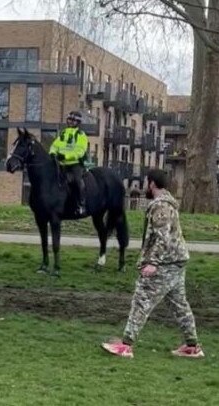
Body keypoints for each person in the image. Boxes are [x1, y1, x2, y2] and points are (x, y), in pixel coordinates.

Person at [101, 169, 204, 359]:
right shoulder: (167, 203)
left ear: (152, 184)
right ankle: (192, 346)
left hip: (165, 263)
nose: (144, 185)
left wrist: (153, 263)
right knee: (179, 305)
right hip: (176, 261)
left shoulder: (161, 207)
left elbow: (162, 237)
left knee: (142, 300)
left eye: (146, 182)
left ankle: (125, 345)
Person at [49, 110, 89, 216]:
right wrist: (52, 153)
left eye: (73, 120)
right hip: (62, 164)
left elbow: (80, 151)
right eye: (69, 119)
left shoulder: (81, 135)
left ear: (78, 123)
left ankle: (82, 205)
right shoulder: (63, 133)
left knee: (77, 181)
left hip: (75, 164)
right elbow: (55, 145)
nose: (70, 122)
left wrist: (65, 156)